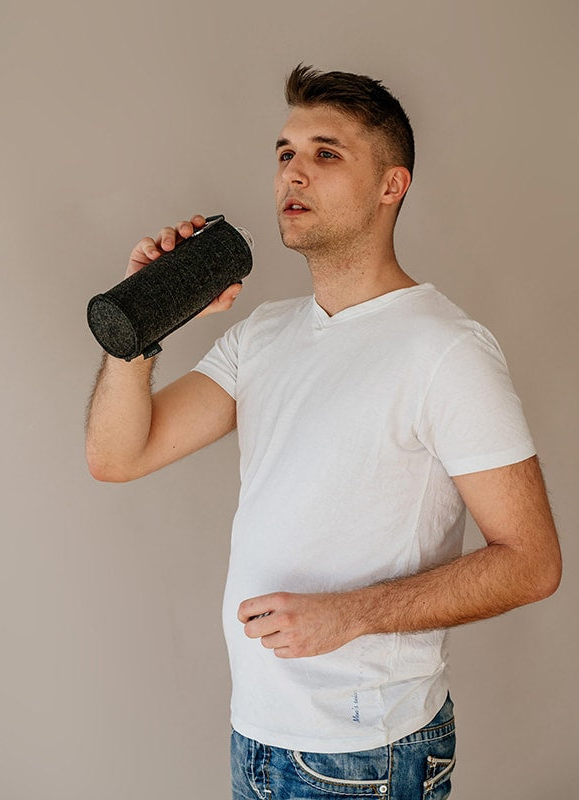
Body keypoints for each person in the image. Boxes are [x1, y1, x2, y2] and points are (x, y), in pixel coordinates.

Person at [85, 64, 562, 799]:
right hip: (261, 736)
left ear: (391, 186)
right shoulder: (264, 336)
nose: (292, 173)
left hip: (362, 756)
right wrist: (140, 322)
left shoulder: (446, 351)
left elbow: (532, 563)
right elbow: (118, 456)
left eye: (325, 153)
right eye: (284, 153)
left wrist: (352, 615)